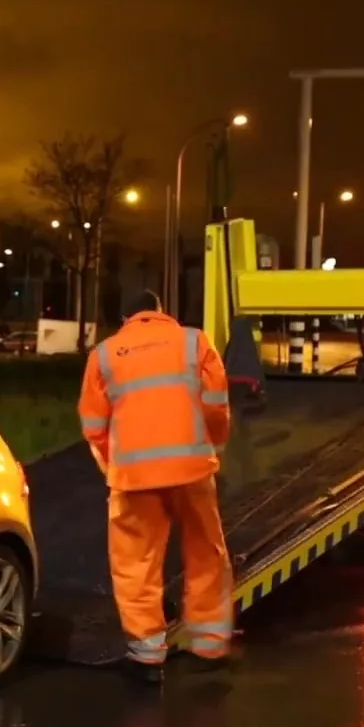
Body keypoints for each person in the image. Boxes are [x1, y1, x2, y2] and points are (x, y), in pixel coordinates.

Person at [76, 289, 234, 684]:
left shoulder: (105, 354)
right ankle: (209, 645)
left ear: (126, 318)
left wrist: (115, 465)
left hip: (133, 479)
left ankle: (147, 655)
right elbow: (216, 403)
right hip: (191, 471)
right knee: (205, 550)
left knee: (136, 562)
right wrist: (213, 447)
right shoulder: (194, 341)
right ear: (161, 312)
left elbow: (94, 426)